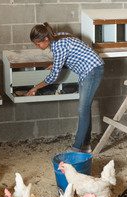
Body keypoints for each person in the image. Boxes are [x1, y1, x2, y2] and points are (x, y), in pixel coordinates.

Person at [27, 22, 104, 153]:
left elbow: (53, 77)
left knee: (82, 109)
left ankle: (76, 148)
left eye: (38, 44)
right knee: (85, 109)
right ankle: (86, 145)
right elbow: (74, 52)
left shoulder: (58, 46)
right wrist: (57, 63)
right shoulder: (59, 37)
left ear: (46, 39)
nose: (37, 46)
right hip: (88, 71)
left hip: (93, 70)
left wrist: (35, 88)